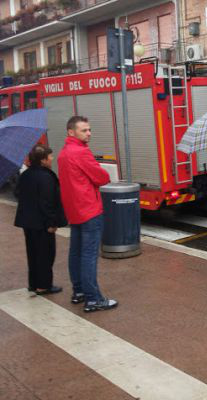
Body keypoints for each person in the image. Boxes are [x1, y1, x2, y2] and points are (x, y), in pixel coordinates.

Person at [58, 116, 117, 312]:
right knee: (89, 254)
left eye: (89, 129)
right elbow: (102, 177)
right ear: (71, 132)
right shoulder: (81, 152)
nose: (89, 133)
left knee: (75, 252)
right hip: (89, 209)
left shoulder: (64, 153)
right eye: (84, 130)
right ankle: (93, 298)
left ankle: (79, 291)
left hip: (74, 211)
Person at [14, 145, 67, 295]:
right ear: (43, 160)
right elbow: (47, 202)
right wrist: (52, 223)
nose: (52, 159)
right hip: (42, 223)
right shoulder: (45, 176)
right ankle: (43, 286)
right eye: (50, 157)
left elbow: (17, 193)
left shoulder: (26, 175)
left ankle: (33, 283)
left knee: (32, 253)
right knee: (46, 254)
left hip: (28, 222)